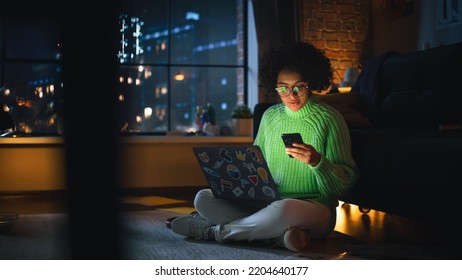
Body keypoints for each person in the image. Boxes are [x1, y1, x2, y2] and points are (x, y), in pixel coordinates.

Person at [170, 41, 359, 252]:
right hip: (268, 204)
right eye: (283, 88)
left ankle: (214, 232)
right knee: (203, 199)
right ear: (274, 85)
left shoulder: (330, 119)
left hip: (315, 209)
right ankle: (279, 237)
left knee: (284, 208)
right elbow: (255, 166)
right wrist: (238, 182)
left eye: (299, 86)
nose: (291, 95)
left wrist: (317, 162)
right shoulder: (270, 117)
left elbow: (345, 184)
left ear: (311, 82)